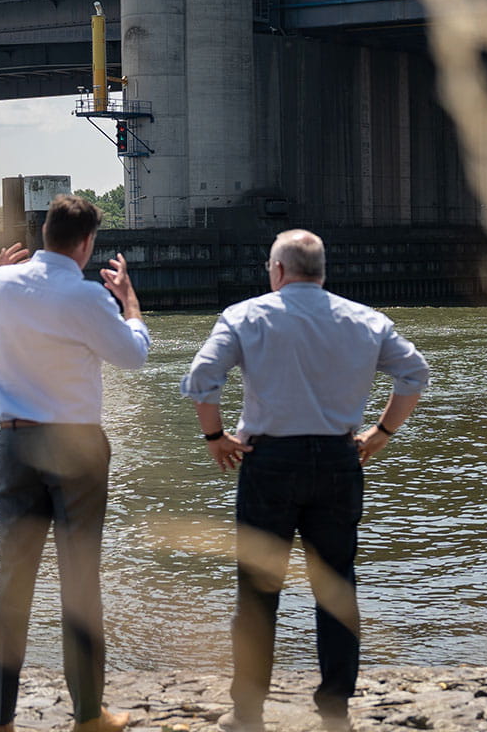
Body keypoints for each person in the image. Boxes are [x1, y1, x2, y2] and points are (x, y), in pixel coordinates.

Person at [179, 229, 429, 732]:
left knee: (256, 591)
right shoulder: (365, 319)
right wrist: (381, 432)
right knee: (336, 586)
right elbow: (414, 375)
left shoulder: (246, 316)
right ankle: (334, 709)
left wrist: (215, 437)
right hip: (340, 459)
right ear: (322, 272)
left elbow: (201, 379)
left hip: (269, 462)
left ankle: (248, 712)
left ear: (277, 271)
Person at [0, 194, 148, 732]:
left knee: (12, 583)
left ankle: (0, 721)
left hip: (14, 444)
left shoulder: (0, 284)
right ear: (86, 244)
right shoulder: (87, 296)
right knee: (80, 582)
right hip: (77, 447)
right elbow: (134, 355)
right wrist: (128, 301)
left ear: (42, 232)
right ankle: (88, 715)